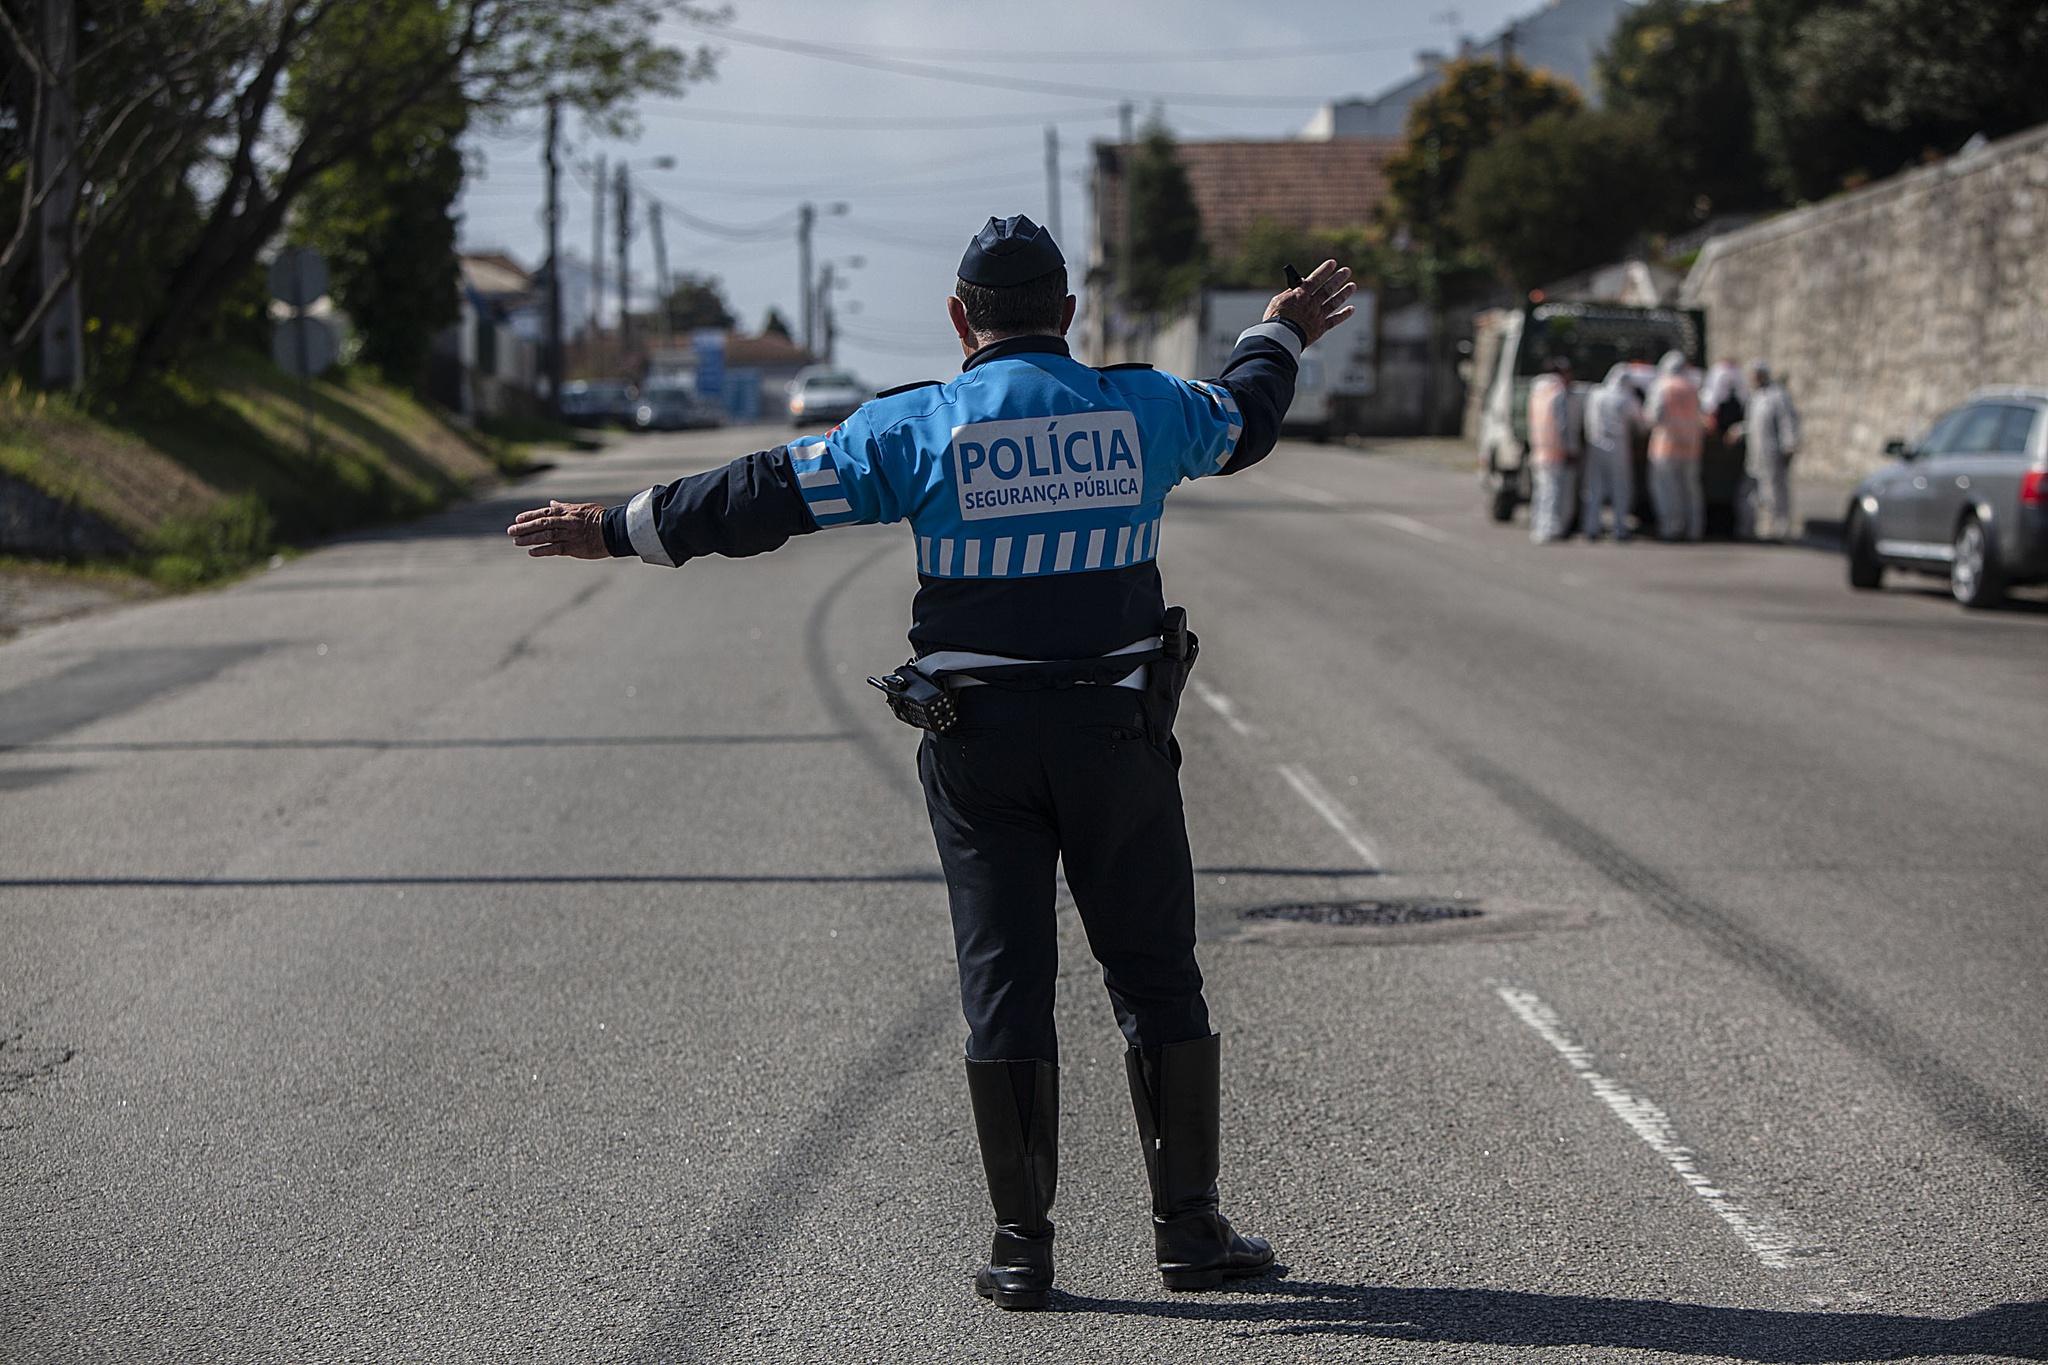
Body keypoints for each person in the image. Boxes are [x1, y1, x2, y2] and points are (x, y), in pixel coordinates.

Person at [506, 215, 1356, 1311]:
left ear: (959, 320)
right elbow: (1243, 418)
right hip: (1114, 737)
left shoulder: (918, 426)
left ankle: (1020, 1247)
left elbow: (766, 492)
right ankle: (1188, 1231)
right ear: (1066, 316)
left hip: (979, 745)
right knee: (1153, 975)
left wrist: (621, 527)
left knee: (1005, 981)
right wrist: (1278, 330)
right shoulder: (1140, 409)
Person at [1645, 349, 1705, 541]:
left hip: (1666, 446)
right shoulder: (1692, 387)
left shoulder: (1662, 386)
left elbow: (1653, 415)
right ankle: (1694, 529)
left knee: (1666, 489)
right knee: (1690, 491)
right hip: (1690, 447)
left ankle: (1670, 528)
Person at [1581, 363, 1645, 541]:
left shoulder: (1596, 394)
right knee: (1620, 487)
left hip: (1594, 442)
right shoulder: (1625, 398)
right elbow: (1641, 424)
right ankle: (1619, 529)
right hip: (1618, 445)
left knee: (1594, 487)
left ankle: (1591, 527)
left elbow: (1588, 419)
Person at [1741, 363, 1801, 541]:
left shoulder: (1777, 395)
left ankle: (1780, 530)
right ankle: (1750, 528)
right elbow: (1752, 425)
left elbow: (1787, 421)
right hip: (1755, 455)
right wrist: (1738, 431)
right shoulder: (1756, 397)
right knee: (1751, 492)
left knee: (1775, 493)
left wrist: (1789, 444)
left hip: (1772, 453)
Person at [1526, 357, 1579, 543]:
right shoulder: (1558, 392)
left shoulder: (1537, 391)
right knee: (1553, 493)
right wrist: (1571, 449)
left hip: (1539, 450)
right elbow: (1563, 425)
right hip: (1556, 452)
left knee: (1541, 492)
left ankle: (1539, 528)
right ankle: (1550, 530)